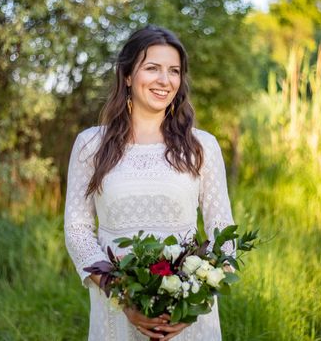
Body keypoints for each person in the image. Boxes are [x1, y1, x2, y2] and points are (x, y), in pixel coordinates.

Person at [64, 25, 235, 341]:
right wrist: (121, 294)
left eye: (174, 71)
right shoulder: (91, 144)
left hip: (186, 308)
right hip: (116, 306)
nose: (164, 80)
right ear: (128, 75)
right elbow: (77, 229)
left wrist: (192, 304)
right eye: (152, 68)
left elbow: (222, 231)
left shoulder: (202, 146)